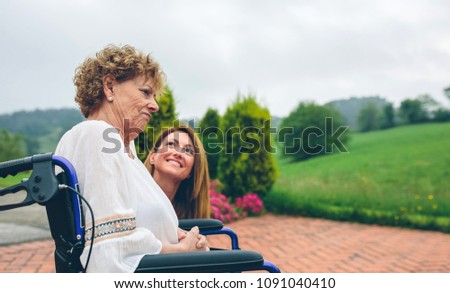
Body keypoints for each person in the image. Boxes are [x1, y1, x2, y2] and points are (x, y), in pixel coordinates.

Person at [55, 44, 207, 273]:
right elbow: (110, 250)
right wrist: (182, 251)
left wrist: (180, 235)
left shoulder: (124, 149)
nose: (155, 105)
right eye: (145, 92)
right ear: (109, 87)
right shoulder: (97, 135)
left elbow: (125, 219)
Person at [144, 126, 210, 219]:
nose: (178, 153)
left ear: (191, 172)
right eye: (171, 144)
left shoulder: (190, 221)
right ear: (153, 157)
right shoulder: (127, 199)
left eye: (188, 150)